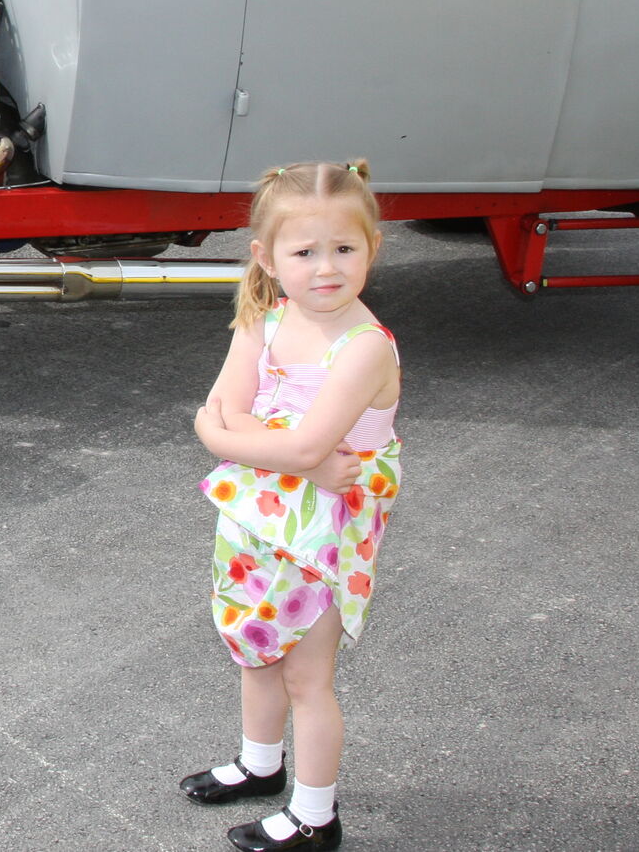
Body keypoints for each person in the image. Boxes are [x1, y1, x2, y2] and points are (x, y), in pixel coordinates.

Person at [185, 160, 404, 852]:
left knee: (309, 674)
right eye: (304, 252)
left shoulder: (364, 347)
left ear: (373, 245)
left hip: (322, 532)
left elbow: (300, 445)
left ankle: (315, 814)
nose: (326, 267)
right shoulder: (264, 319)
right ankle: (260, 763)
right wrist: (244, 438)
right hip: (256, 515)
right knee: (256, 648)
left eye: (344, 248)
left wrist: (238, 437)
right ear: (267, 257)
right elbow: (211, 420)